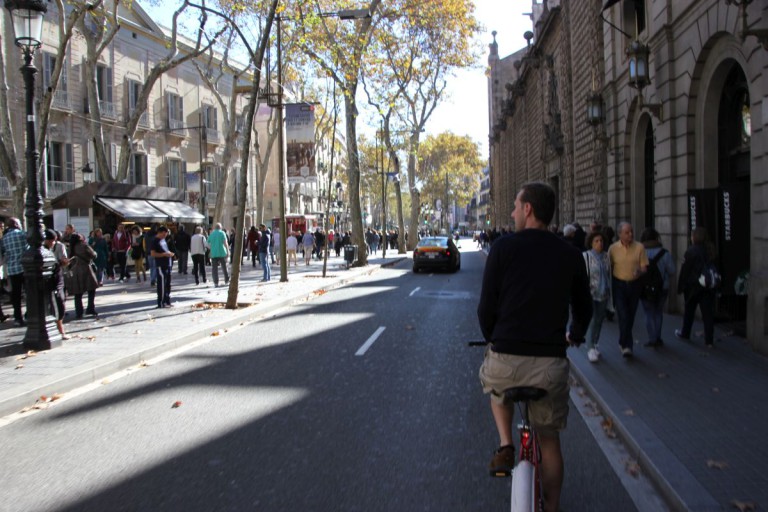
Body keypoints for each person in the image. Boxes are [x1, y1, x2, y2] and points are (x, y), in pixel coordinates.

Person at [477, 182, 592, 512]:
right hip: (549, 365)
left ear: (528, 209)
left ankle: (506, 443)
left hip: (506, 360)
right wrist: (576, 334)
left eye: (515, 205)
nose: (512, 212)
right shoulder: (571, 255)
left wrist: (493, 338)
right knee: (550, 440)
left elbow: (486, 308)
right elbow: (584, 308)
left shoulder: (502, 248)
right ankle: (552, 506)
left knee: (497, 391)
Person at [607, 222, 648, 358]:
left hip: (634, 285)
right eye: (627, 232)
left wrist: (639, 272)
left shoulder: (639, 247)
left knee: (630, 316)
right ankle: (627, 346)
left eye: (631, 231)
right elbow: (609, 267)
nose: (630, 234)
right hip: (619, 285)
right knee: (623, 315)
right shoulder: (613, 249)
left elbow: (644, 268)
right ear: (620, 234)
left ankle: (622, 340)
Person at [675, 226, 716, 347]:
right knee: (708, 314)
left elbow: (685, 270)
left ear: (694, 237)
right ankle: (709, 340)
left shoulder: (691, 251)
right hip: (707, 286)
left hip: (693, 286)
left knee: (689, 312)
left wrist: (681, 286)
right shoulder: (711, 250)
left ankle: (685, 333)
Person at [639, 227, 676, 348]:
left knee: (648, 313)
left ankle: (652, 338)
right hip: (662, 287)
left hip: (645, 287)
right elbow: (672, 270)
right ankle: (658, 337)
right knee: (658, 312)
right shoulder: (664, 253)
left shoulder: (640, 252)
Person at [581, 231, 612, 363]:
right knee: (592, 320)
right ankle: (590, 347)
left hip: (603, 293)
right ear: (591, 243)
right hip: (590, 293)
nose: (600, 243)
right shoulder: (586, 256)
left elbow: (609, 273)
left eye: (601, 241)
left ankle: (595, 343)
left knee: (599, 319)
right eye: (596, 241)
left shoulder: (606, 257)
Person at [43, 229, 69, 339]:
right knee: (58, 305)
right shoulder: (43, 251)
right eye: (52, 241)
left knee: (60, 304)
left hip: (58, 280)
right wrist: (59, 263)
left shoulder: (56, 246)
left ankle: (59, 329)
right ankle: (59, 330)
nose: (54, 243)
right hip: (52, 282)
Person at [1, 218, 27, 326]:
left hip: (12, 269)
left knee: (15, 294)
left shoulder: (5, 238)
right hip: (25, 268)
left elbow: (4, 252)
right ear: (16, 224)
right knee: (29, 292)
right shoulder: (22, 234)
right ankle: (30, 314)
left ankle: (18, 318)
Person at [67, 233, 99, 318]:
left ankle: (79, 312)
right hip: (86, 269)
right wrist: (94, 252)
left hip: (75, 270)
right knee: (91, 290)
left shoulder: (70, 248)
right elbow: (94, 255)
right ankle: (90, 308)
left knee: (78, 293)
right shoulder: (84, 246)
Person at [150, 226, 174, 308]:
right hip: (161, 264)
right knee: (162, 284)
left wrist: (169, 253)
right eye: (164, 234)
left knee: (167, 284)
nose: (165, 236)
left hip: (168, 263)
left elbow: (165, 250)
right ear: (159, 232)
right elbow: (153, 254)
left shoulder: (163, 240)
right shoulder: (155, 241)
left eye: (166, 234)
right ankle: (161, 302)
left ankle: (167, 301)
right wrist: (164, 254)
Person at [208, 223, 230, 287]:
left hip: (214, 253)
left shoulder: (211, 234)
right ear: (220, 227)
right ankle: (226, 280)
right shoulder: (222, 233)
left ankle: (216, 282)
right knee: (224, 267)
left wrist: (211, 248)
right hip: (222, 252)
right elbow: (225, 243)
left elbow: (207, 243)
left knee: (214, 269)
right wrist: (228, 251)